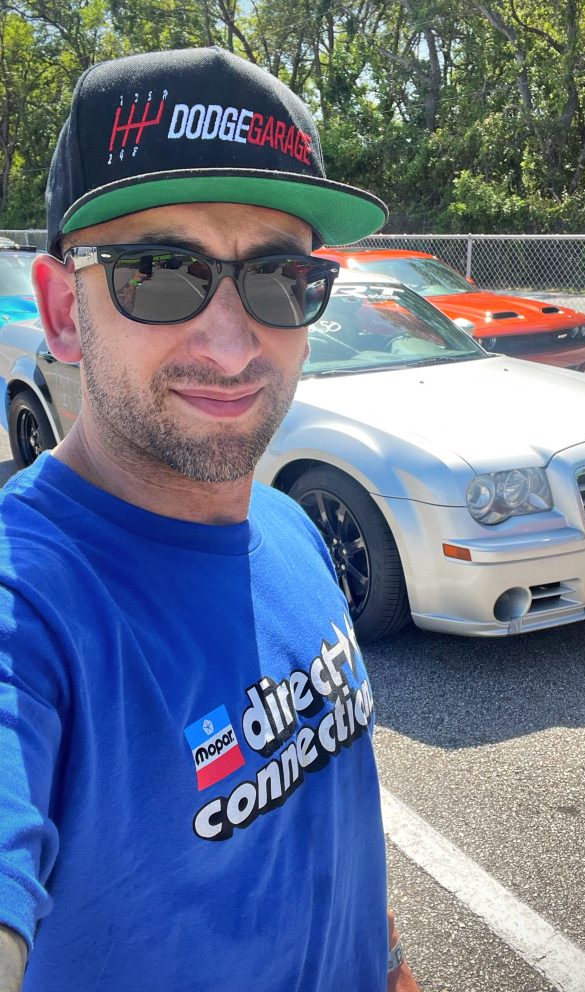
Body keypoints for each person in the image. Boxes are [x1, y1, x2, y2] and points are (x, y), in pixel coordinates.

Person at [0, 46, 420, 992]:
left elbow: (329, 825)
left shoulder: (289, 529)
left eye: (279, 277)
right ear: (64, 311)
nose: (232, 344)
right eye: (159, 270)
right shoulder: (28, 606)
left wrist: (388, 962)